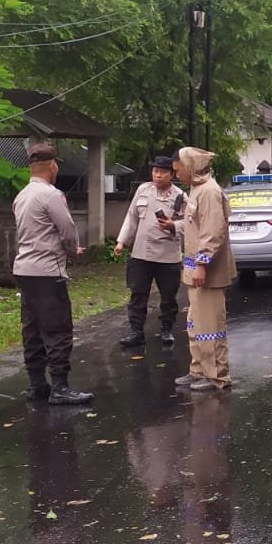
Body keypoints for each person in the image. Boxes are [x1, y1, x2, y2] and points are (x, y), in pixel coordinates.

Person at [12, 143, 93, 405]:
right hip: (48, 271)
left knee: (33, 327)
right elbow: (68, 230)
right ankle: (60, 387)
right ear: (53, 166)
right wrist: (71, 251)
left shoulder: (21, 195)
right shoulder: (51, 195)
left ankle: (37, 384)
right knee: (57, 328)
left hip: (24, 269)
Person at [173, 147, 236, 391]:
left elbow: (212, 232)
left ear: (190, 166)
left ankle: (216, 375)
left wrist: (201, 264)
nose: (176, 173)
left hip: (207, 272)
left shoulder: (209, 191)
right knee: (196, 323)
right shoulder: (197, 189)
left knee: (210, 325)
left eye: (178, 169)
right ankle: (199, 369)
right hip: (195, 271)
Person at [114, 156, 188, 349]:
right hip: (141, 253)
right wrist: (122, 241)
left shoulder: (180, 196)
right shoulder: (143, 190)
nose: (157, 175)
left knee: (168, 296)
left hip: (168, 255)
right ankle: (136, 331)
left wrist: (174, 225)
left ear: (171, 174)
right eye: (155, 171)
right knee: (138, 293)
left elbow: (190, 224)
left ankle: (166, 329)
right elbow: (131, 217)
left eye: (162, 172)